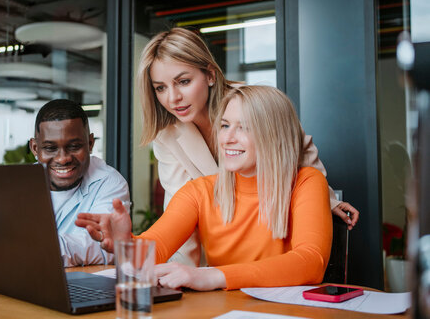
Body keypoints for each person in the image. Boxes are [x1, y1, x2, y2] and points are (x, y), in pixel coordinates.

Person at [137, 27, 358, 266]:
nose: (173, 98)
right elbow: (179, 216)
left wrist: (327, 201)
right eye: (160, 87)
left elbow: (299, 155)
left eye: (183, 81)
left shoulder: (254, 105)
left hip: (276, 239)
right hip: (224, 250)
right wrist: (183, 277)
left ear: (210, 75)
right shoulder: (167, 136)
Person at [76, 86, 333, 291]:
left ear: (274, 135)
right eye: (225, 125)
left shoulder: (306, 182)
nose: (228, 138)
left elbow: (311, 262)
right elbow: (156, 248)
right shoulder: (198, 191)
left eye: (245, 127)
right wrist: (125, 242)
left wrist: (213, 276)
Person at [0, 99, 130, 269]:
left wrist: (14, 249)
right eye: (50, 148)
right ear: (35, 148)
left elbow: (101, 246)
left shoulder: (109, 183)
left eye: (74, 146)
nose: (63, 158)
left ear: (90, 143)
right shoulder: (11, 184)